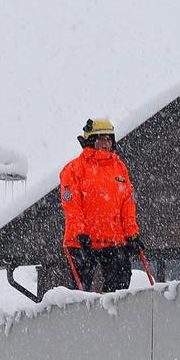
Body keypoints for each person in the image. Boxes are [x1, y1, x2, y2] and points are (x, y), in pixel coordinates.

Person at [60, 117, 142, 292]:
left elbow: (127, 204)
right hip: (82, 242)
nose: (106, 143)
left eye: (109, 139)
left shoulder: (120, 168)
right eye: (101, 139)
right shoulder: (73, 169)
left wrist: (132, 234)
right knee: (80, 291)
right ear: (91, 141)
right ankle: (81, 318)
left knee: (120, 284)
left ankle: (108, 312)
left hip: (113, 240)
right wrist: (79, 232)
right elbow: (71, 205)